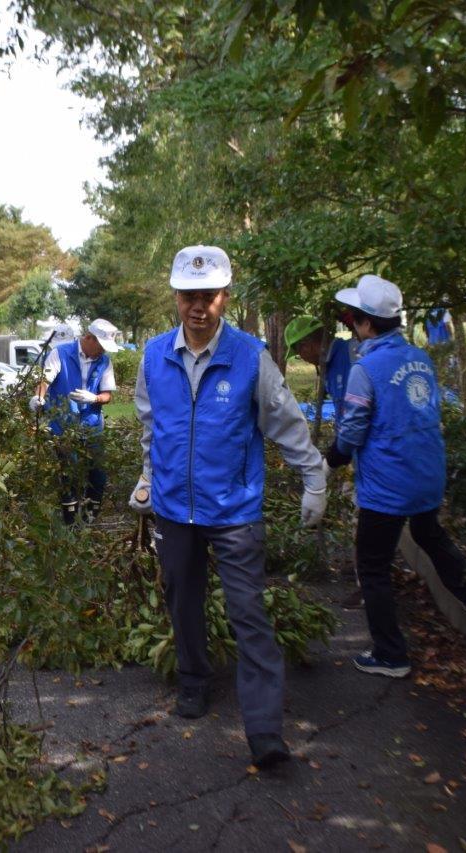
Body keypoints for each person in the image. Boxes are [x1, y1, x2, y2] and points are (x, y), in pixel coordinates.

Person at [128, 246, 327, 769]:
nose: (199, 307)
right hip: (174, 509)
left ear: (225, 298)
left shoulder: (249, 357)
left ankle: (264, 728)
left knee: (248, 613)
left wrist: (314, 476)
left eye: (209, 296)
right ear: (176, 297)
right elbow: (151, 427)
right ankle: (194, 680)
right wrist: (148, 479)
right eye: (190, 296)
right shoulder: (153, 356)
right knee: (182, 600)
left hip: (234, 511)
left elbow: (284, 421)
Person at [323, 275, 466, 679]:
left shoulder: (366, 369)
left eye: (353, 320)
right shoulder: (420, 358)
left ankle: (390, 654)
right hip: (427, 473)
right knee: (428, 532)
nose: (351, 327)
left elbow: (352, 428)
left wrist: (332, 460)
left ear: (366, 324)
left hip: (388, 485)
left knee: (374, 566)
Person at [285, 313, 365, 609]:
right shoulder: (328, 367)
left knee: (361, 516)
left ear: (311, 343)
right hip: (349, 451)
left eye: (300, 349)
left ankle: (366, 584)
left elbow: (358, 414)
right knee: (349, 508)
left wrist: (333, 459)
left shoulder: (349, 356)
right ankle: (360, 570)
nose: (301, 357)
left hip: (364, 452)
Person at [28, 318, 120, 524]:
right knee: (68, 473)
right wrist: (39, 397)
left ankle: (89, 520)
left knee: (97, 474)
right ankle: (69, 524)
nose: (103, 352)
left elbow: (107, 395)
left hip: (92, 426)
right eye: (101, 346)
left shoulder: (104, 361)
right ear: (88, 338)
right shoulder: (60, 353)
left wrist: (94, 398)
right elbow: (45, 381)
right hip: (63, 426)